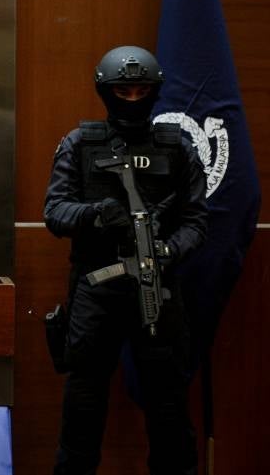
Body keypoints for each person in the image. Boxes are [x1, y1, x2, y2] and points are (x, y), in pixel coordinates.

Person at [44, 45, 207, 475]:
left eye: (140, 89)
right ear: (106, 91)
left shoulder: (178, 147)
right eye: (123, 89)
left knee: (170, 413)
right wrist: (96, 215)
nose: (132, 98)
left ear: (154, 91)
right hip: (98, 290)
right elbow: (55, 212)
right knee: (82, 413)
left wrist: (169, 249)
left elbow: (196, 221)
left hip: (160, 286)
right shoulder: (80, 143)